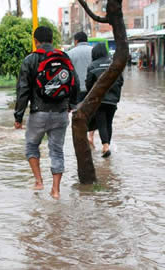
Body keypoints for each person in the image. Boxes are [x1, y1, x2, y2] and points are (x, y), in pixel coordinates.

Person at [14, 26, 78, 199]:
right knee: (57, 150)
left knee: (31, 146)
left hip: (38, 113)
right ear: (52, 40)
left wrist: (18, 116)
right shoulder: (64, 57)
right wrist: (71, 105)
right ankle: (56, 190)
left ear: (35, 41)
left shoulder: (30, 60)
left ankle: (39, 181)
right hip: (61, 113)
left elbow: (23, 90)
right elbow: (75, 83)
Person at [85, 43, 123, 158]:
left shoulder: (92, 66)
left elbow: (88, 85)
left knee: (101, 122)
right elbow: (121, 81)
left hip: (99, 99)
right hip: (113, 100)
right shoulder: (114, 64)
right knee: (109, 123)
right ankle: (107, 146)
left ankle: (105, 146)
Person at [67, 31, 93, 103]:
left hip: (77, 90)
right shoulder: (94, 51)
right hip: (92, 89)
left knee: (78, 111)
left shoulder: (70, 53)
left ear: (76, 41)